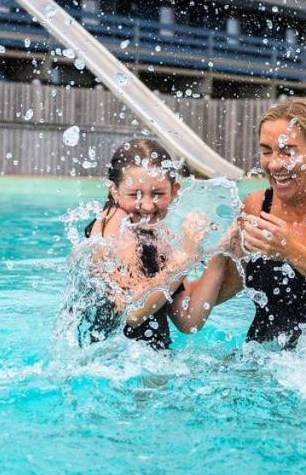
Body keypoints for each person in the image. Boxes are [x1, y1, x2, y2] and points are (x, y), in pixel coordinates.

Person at [183, 98, 306, 345]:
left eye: (287, 151)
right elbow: (217, 294)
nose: (275, 164)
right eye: (267, 151)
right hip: (260, 358)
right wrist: (213, 255)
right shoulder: (256, 206)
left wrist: (292, 252)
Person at [78, 138, 212, 350]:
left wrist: (223, 255)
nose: (148, 206)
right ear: (114, 191)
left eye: (158, 194)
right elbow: (132, 312)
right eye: (135, 194)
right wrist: (186, 256)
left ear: (174, 190)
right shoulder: (114, 224)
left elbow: (188, 320)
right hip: (115, 365)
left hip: (141, 362)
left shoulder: (153, 232)